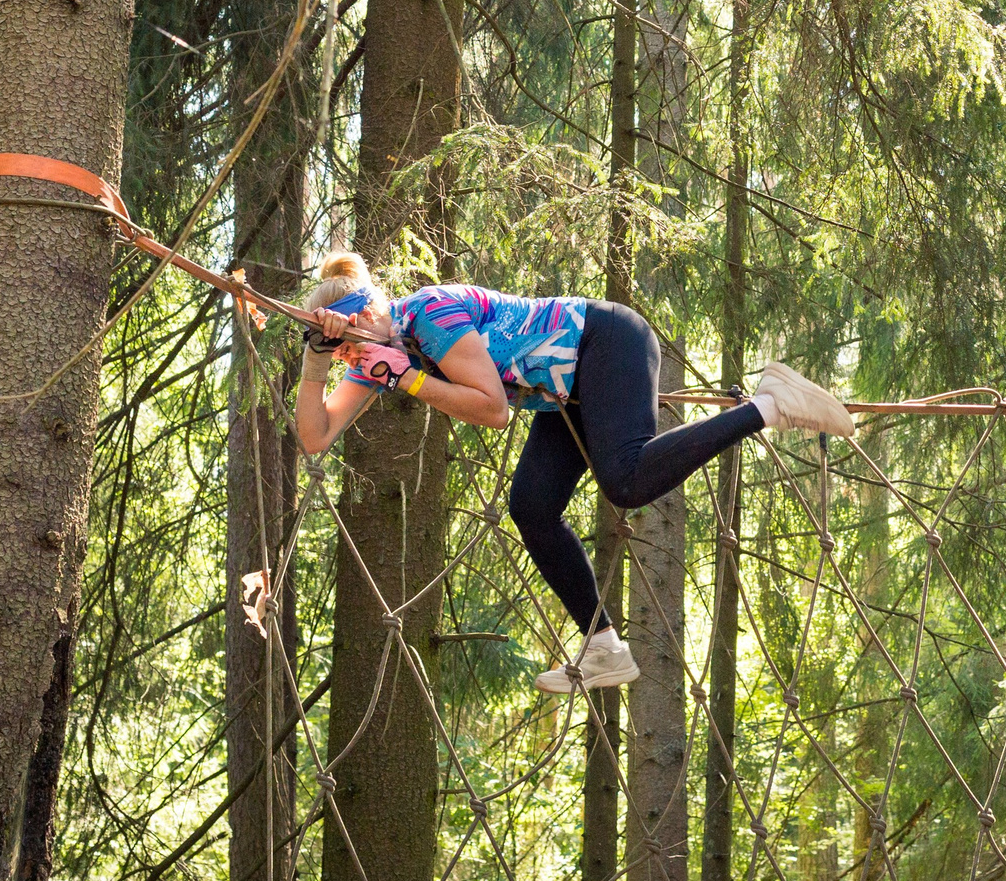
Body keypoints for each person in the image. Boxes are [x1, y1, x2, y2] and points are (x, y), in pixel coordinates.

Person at [295, 250, 853, 693]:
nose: (349, 361)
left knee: (626, 480)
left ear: (364, 318)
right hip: (565, 387)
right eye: (337, 356)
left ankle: (768, 406)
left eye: (344, 349)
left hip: (602, 342)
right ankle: (604, 644)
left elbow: (493, 409)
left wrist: (408, 379)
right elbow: (315, 436)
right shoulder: (381, 355)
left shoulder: (427, 315)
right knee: (532, 506)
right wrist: (315, 363)